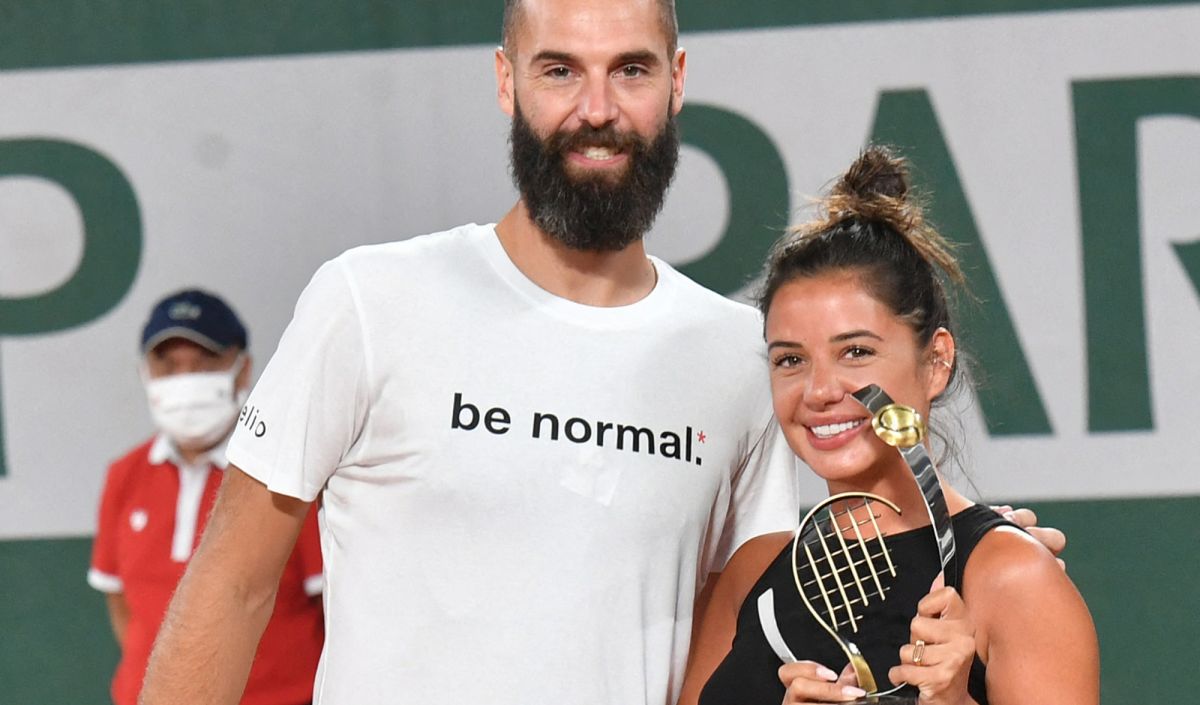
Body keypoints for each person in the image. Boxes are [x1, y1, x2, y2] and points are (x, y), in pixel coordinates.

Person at [139, 3, 1064, 704]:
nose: (597, 110)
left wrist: (985, 551)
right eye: (558, 71)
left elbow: (796, 580)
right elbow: (229, 586)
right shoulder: (369, 300)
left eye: (630, 70)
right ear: (506, 82)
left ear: (676, 80)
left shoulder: (742, 356)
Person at [679, 147, 1099, 705]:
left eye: (855, 351)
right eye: (790, 360)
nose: (821, 391)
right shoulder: (750, 576)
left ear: (936, 362)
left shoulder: (1013, 579)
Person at [89, 289, 324, 705]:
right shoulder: (124, 475)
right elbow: (120, 600)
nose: (186, 379)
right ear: (145, 373)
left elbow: (335, 606)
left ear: (243, 368)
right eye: (170, 365)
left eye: (204, 362)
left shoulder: (290, 470)